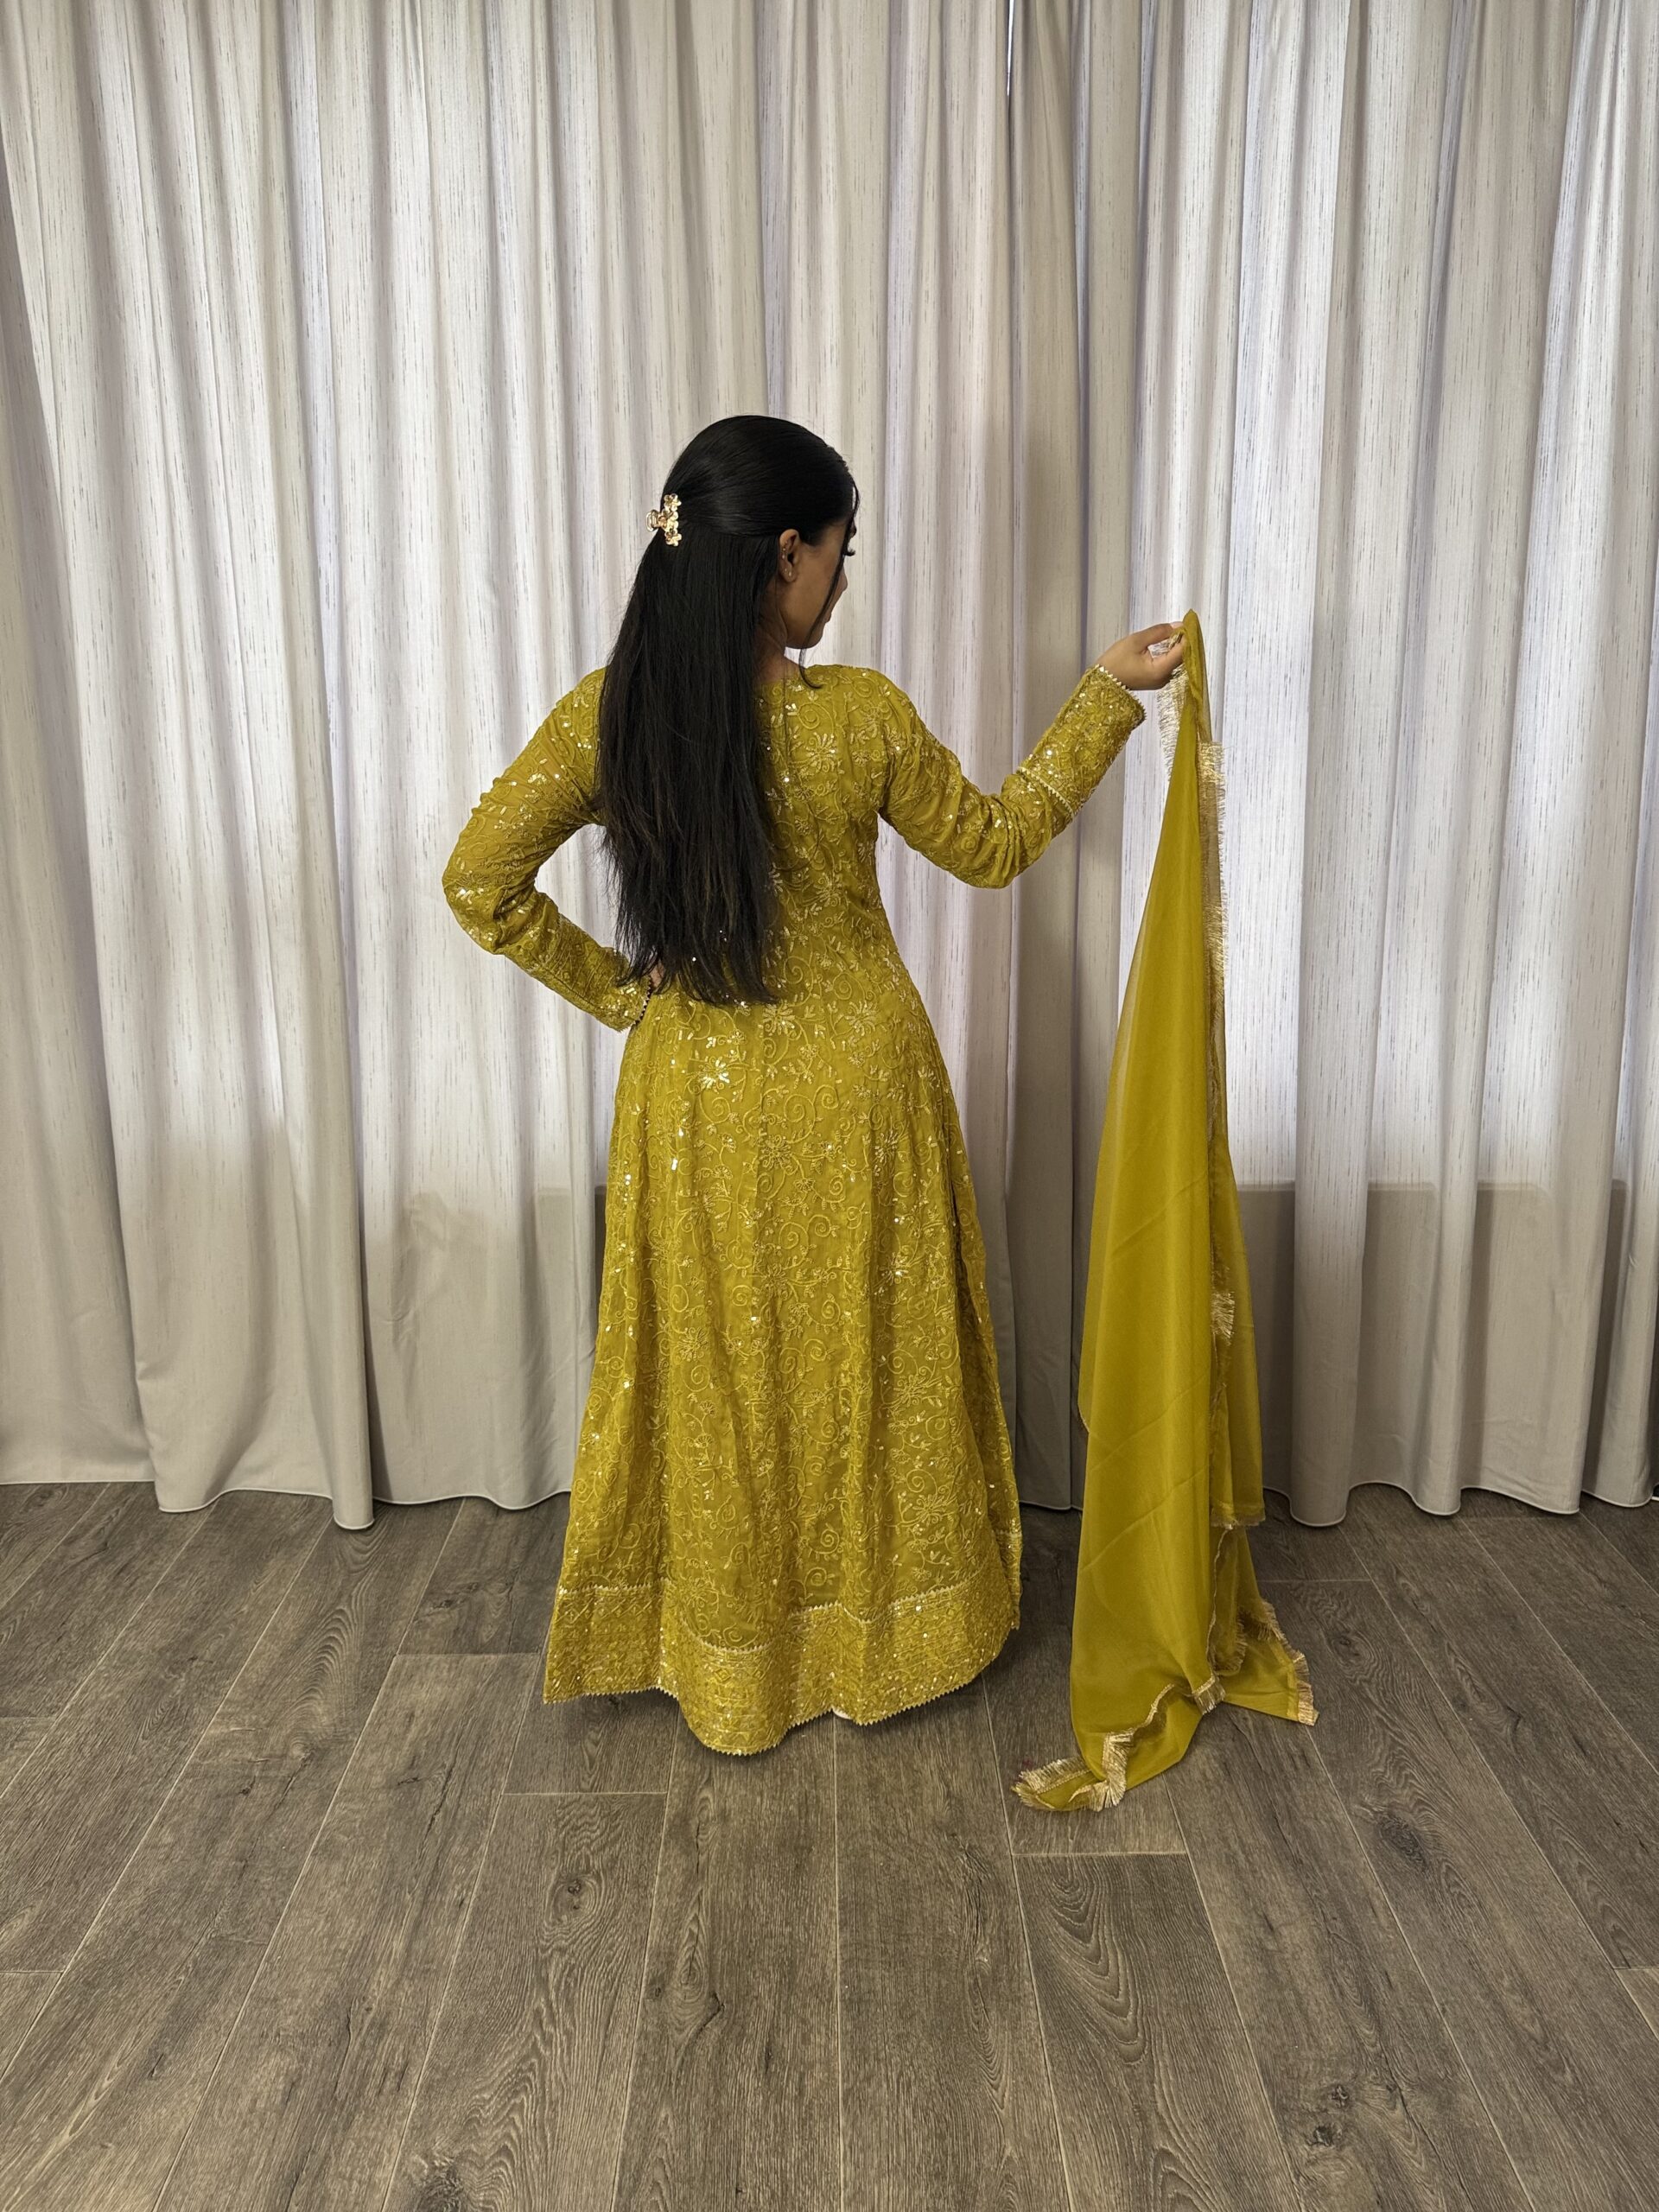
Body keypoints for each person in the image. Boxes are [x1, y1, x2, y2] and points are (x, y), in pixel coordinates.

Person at [441, 413, 1186, 1757]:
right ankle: (881, 1635)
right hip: (863, 1091)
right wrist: (1105, 696)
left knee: (723, 1374)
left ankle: (733, 1656)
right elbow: (998, 843)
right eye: (840, 553)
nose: (843, 583)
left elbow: (477, 881)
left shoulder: (614, 715)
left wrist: (623, 993)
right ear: (784, 553)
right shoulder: (859, 716)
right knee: (866, 1367)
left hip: (696, 1102)